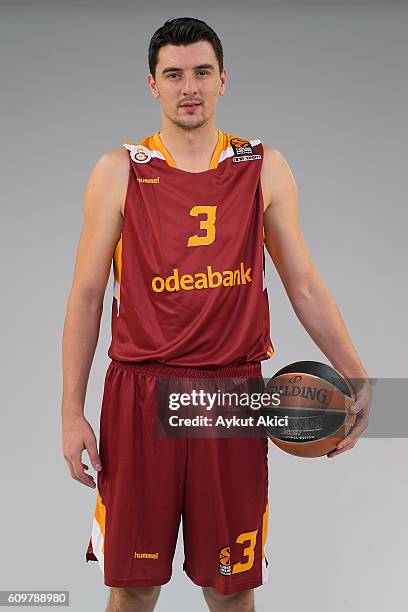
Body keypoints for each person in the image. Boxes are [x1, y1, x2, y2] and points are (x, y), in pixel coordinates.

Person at [61, 16, 372, 612]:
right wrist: (71, 412)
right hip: (140, 397)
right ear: (152, 85)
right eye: (173, 74)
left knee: (231, 590)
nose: (189, 87)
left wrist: (356, 374)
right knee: (132, 587)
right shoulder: (117, 172)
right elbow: (86, 296)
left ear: (224, 79)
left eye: (202, 72)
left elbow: (303, 283)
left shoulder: (263, 166)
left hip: (232, 398)